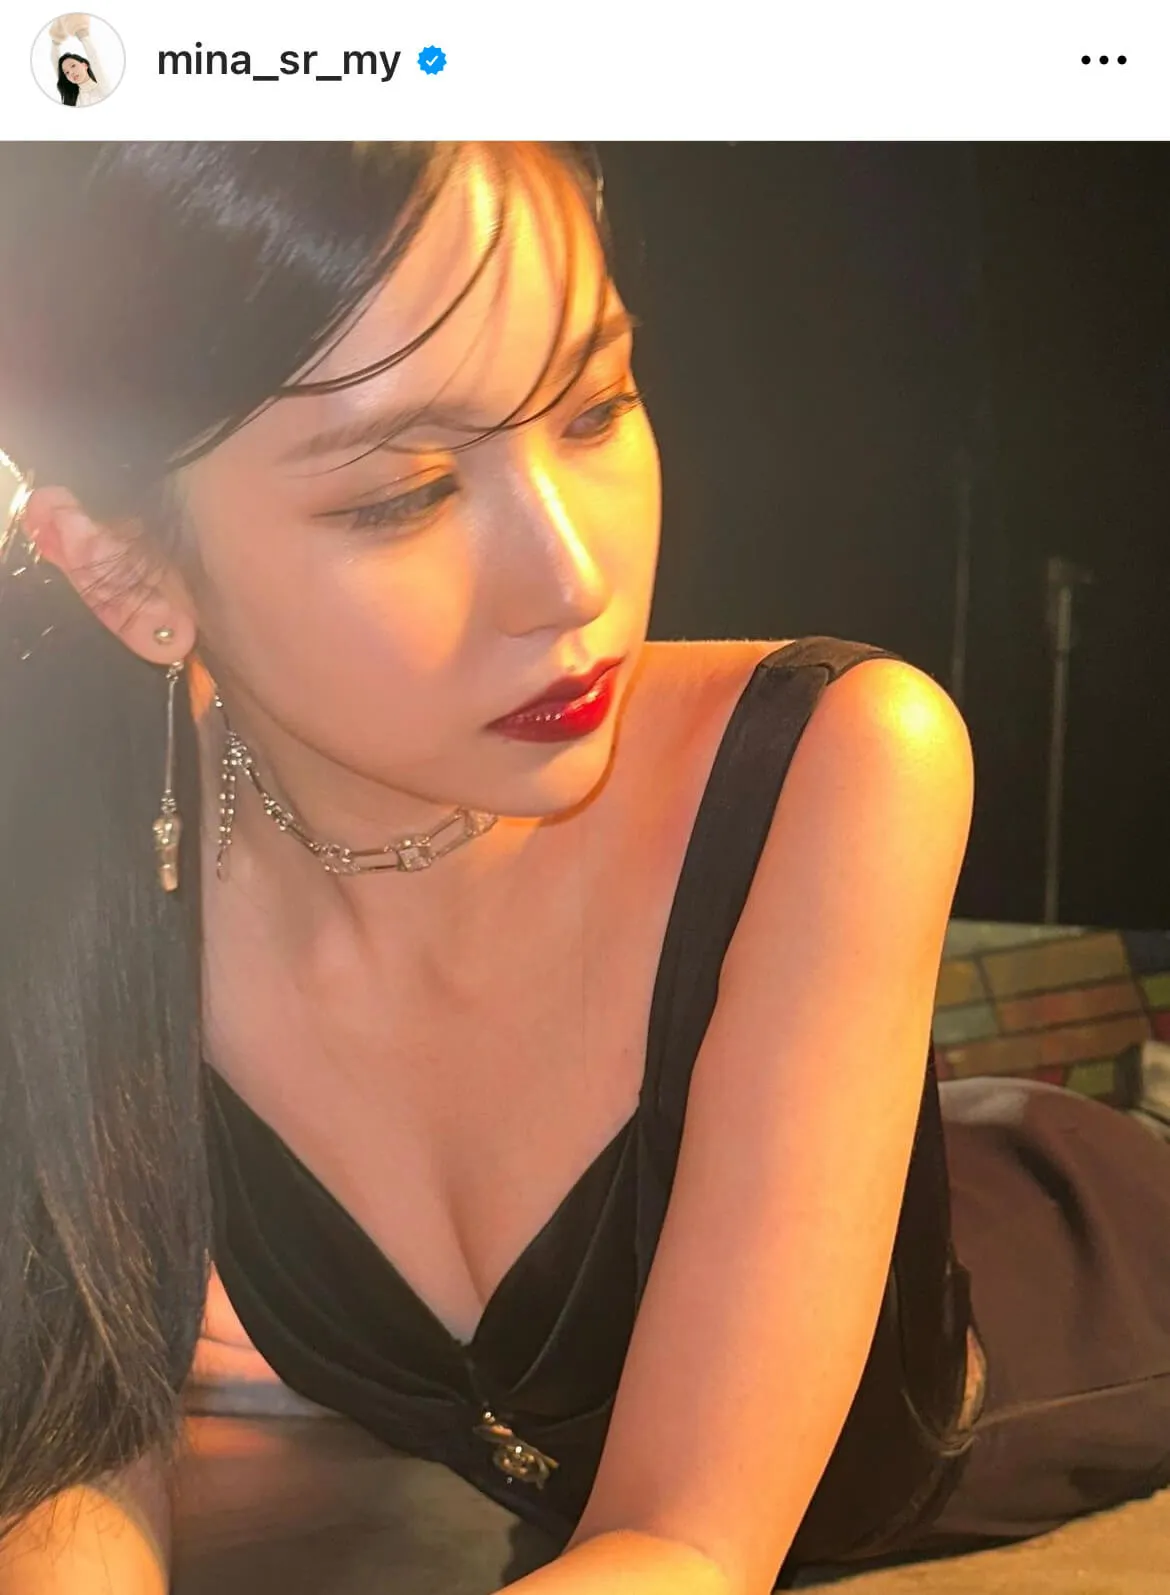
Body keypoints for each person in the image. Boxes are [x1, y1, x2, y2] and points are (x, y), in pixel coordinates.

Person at [0, 142, 1167, 1595]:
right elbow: (73, 1439)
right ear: (125, 571)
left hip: (1096, 1266)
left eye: (598, 406)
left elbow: (682, 1541)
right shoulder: (96, 835)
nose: (573, 576)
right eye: (404, 492)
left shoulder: (836, 759)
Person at [48, 13, 108, 107]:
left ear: (85, 65)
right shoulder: (72, 97)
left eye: (73, 66)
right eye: (67, 72)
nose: (71, 73)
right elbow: (54, 60)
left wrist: (82, 34)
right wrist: (57, 38)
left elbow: (94, 59)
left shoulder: (102, 87)